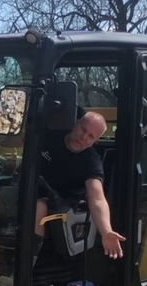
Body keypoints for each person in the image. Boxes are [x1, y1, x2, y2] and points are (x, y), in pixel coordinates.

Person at [36, 111, 125, 260]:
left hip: (57, 204)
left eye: (91, 136)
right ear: (76, 123)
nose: (84, 137)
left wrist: (106, 231)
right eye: (83, 129)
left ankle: (19, 271)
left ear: (94, 142)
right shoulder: (49, 137)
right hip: (27, 189)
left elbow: (97, 198)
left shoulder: (91, 162)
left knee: (39, 206)